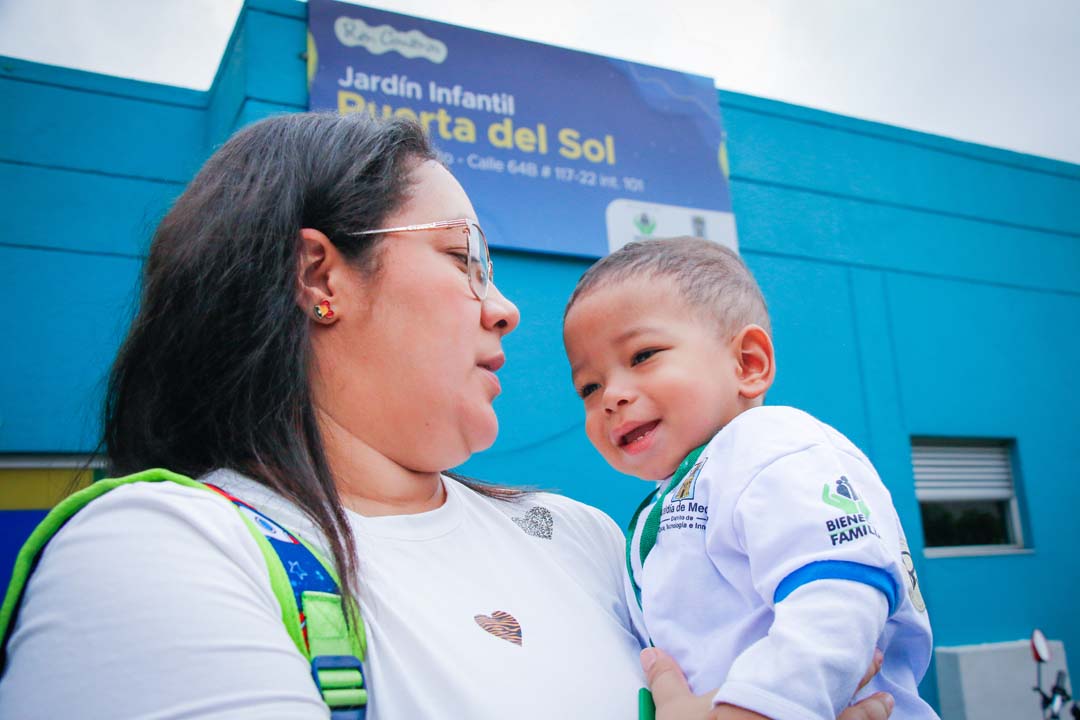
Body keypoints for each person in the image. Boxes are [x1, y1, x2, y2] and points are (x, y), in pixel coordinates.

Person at [0, 114, 895, 720]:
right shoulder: (160, 550)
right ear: (319, 278)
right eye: (465, 259)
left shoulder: (585, 537)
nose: (504, 308)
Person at [562, 237, 937, 720]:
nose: (611, 395)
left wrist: (750, 710)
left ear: (748, 364)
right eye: (589, 387)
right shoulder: (686, 486)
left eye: (642, 355)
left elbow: (840, 592)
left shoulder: (773, 444)